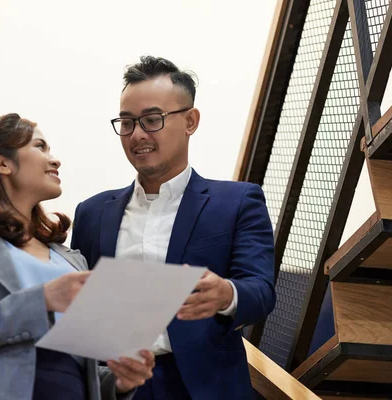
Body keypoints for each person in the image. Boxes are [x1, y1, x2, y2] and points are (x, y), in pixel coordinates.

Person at [70, 56, 276, 399]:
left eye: (152, 120)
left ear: (190, 121)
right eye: (126, 122)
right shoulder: (92, 213)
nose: (137, 135)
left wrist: (227, 294)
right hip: (118, 385)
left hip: (204, 385)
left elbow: (261, 291)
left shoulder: (238, 201)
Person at [0, 113, 155, 400]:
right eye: (40, 147)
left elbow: (82, 370)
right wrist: (40, 300)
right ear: (1, 162)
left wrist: (119, 382)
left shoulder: (71, 259)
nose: (54, 160)